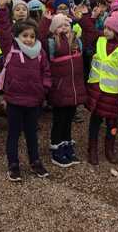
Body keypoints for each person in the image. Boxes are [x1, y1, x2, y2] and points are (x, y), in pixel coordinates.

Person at [0, 0, 51, 181]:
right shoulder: (11, 47)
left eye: (31, 36)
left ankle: (35, 161)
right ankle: (13, 164)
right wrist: (2, 9)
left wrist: (43, 89)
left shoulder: (40, 52)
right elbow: (3, 30)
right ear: (18, 36)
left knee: (31, 134)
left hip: (33, 100)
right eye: (24, 35)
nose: (28, 39)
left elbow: (46, 71)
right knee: (13, 134)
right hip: (14, 100)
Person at [81, 7, 118, 165]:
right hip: (97, 92)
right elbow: (89, 30)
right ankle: (92, 149)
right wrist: (87, 16)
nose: (106, 31)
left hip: (113, 94)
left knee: (112, 125)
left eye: (110, 29)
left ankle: (109, 149)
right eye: (105, 27)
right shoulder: (100, 40)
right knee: (95, 123)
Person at [40, 12, 86, 168]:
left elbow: (91, 36)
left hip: (74, 89)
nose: (64, 28)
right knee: (59, 120)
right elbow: (39, 38)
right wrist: (46, 21)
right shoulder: (52, 43)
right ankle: (56, 148)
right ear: (54, 29)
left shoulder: (77, 42)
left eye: (66, 25)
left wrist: (83, 17)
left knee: (68, 120)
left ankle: (67, 145)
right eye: (60, 25)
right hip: (59, 89)